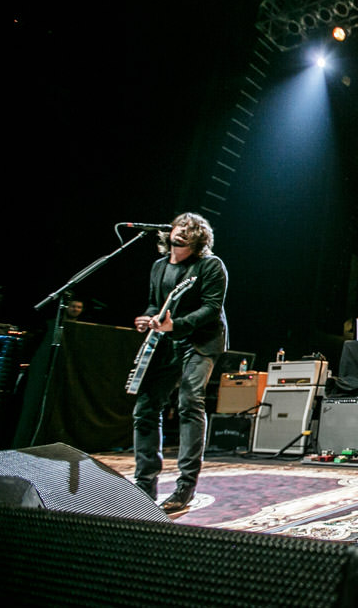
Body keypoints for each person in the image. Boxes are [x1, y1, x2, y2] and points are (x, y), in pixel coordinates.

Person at [132, 212, 228, 512]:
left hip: (201, 341)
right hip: (167, 340)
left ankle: (185, 485)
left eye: (191, 229)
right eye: (180, 226)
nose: (183, 231)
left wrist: (177, 325)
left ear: (200, 237)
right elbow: (154, 302)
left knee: (190, 400)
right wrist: (148, 319)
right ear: (169, 231)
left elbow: (212, 309)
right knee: (145, 407)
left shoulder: (210, 265)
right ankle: (144, 484)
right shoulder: (159, 266)